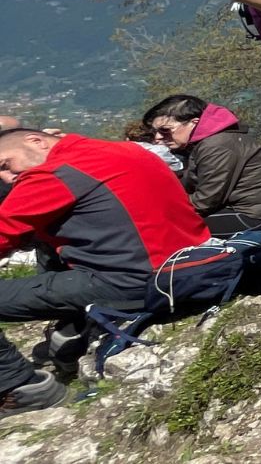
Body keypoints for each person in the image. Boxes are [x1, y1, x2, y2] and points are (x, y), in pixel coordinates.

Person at [0, 128, 212, 415]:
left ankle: (22, 388)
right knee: (47, 239)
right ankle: (71, 332)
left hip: (136, 280)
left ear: (36, 142)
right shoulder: (124, 151)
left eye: (5, 165)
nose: (7, 177)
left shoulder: (56, 173)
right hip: (188, 262)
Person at [142, 95, 261, 236]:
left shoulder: (217, 145)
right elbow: (188, 186)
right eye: (154, 132)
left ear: (194, 122)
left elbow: (207, 200)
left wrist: (163, 210)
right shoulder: (207, 143)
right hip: (244, 211)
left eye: (165, 130)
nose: (158, 137)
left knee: (161, 227)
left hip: (253, 217)